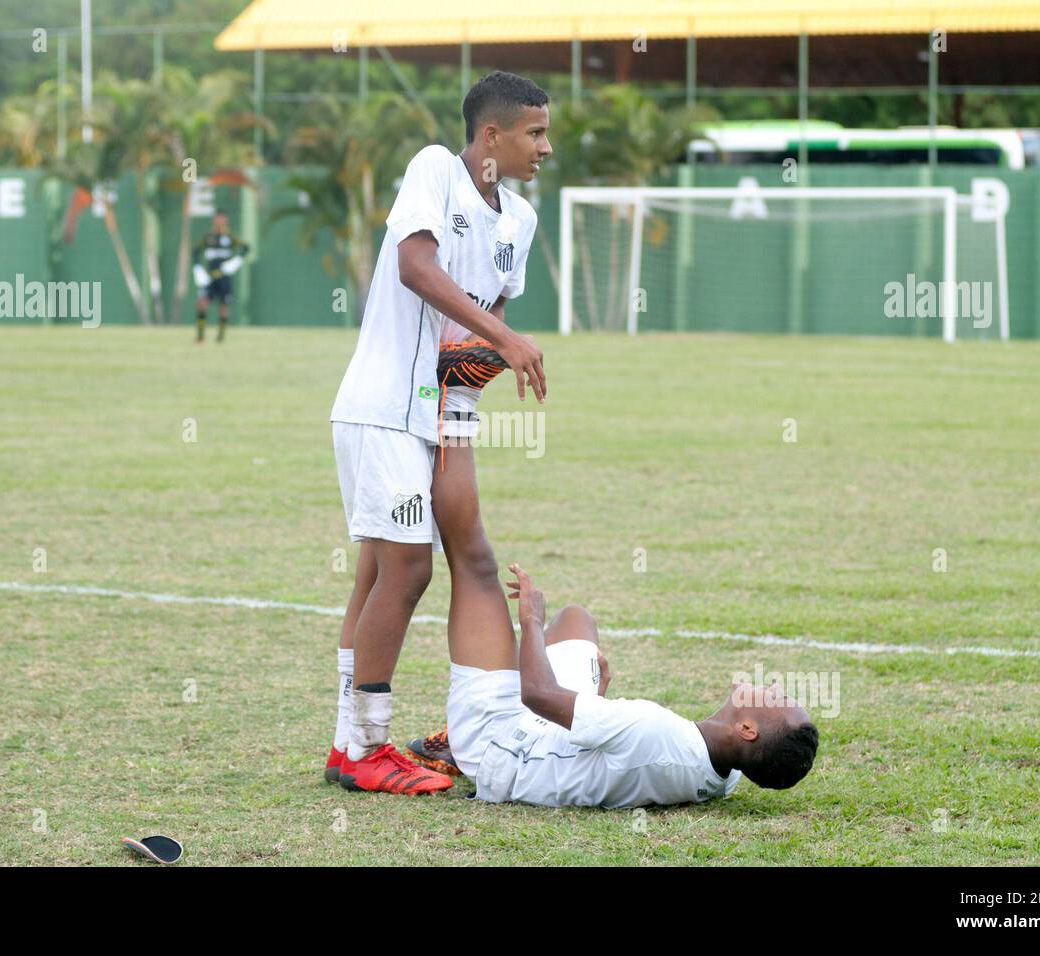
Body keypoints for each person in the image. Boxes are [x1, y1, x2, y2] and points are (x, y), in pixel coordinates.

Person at [326, 71, 550, 795]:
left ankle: (346, 746)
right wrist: (505, 338)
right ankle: (367, 746)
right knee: (409, 569)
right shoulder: (434, 169)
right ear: (493, 136)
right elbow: (416, 267)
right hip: (383, 405)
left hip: (435, 418)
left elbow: (469, 341)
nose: (546, 147)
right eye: (536, 133)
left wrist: (461, 424)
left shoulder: (519, 220)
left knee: (376, 572)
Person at [440, 564, 819, 808]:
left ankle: (455, 740)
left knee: (476, 567)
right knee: (576, 619)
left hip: (501, 748)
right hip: (550, 737)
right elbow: (616, 768)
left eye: (777, 698)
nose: (771, 688)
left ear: (748, 729)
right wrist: (594, 702)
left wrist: (532, 621)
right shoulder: (728, 775)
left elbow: (537, 694)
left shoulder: (655, 729)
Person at [191, 212, 248, 344]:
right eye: (217, 219)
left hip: (224, 278)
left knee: (224, 306)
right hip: (210, 278)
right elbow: (196, 251)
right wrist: (198, 269)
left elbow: (246, 248)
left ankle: (220, 337)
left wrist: (236, 262)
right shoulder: (208, 237)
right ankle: (200, 336)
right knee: (202, 303)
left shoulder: (230, 237)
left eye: (222, 219)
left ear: (226, 220)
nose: (219, 221)